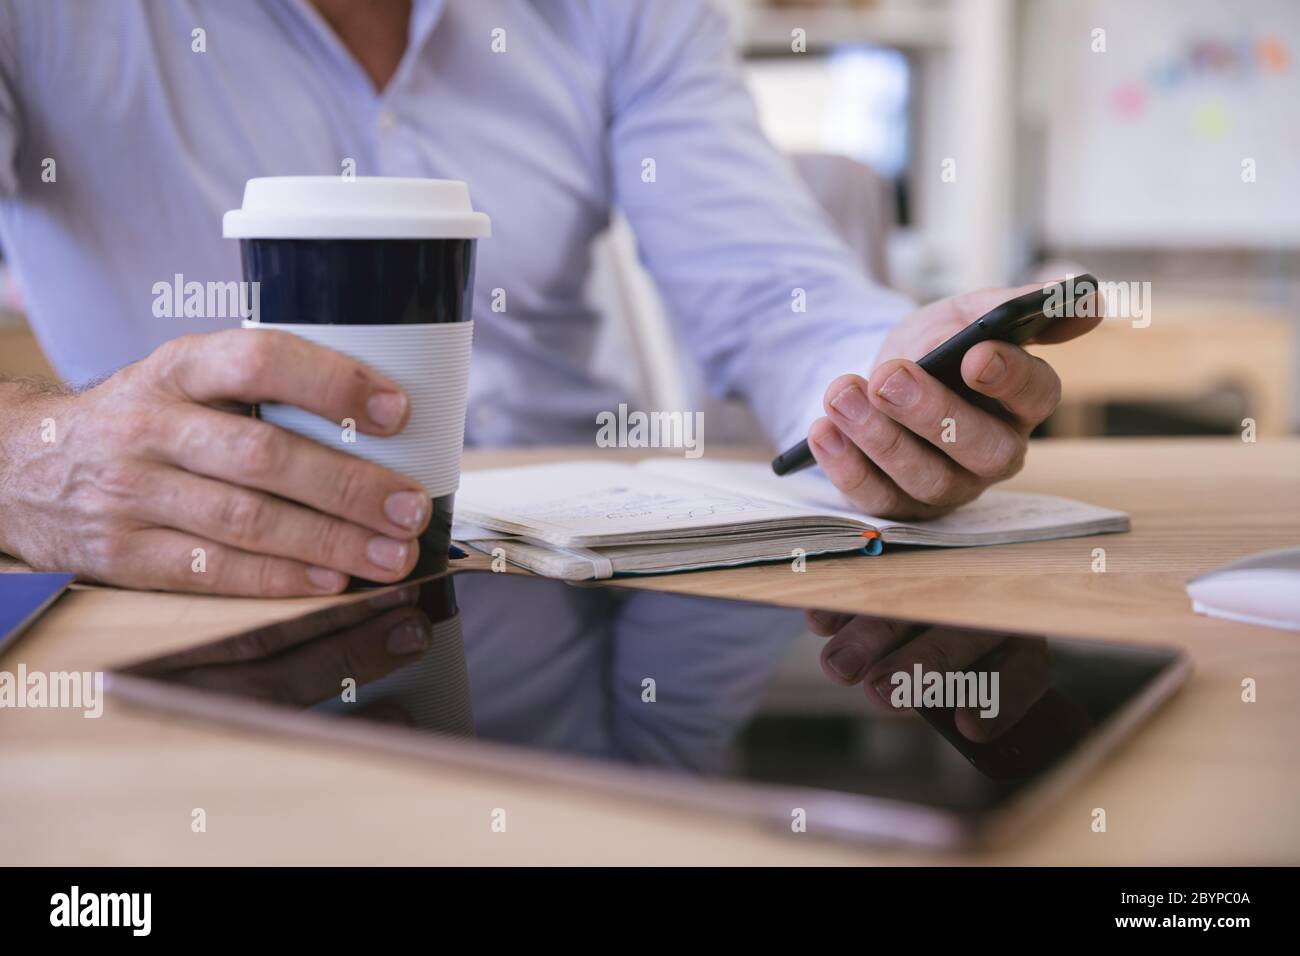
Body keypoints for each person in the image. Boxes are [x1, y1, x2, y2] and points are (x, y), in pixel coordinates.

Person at [0, 0, 1099, 596]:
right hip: (182, 593)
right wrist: (30, 458)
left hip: (583, 585)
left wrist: (886, 382)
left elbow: (775, 295)